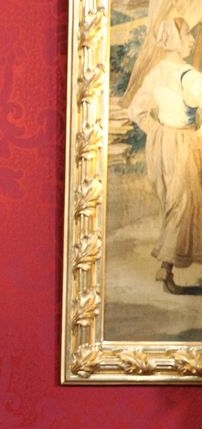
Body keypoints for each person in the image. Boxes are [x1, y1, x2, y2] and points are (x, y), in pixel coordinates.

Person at [126, 16, 202, 294]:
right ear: (174, 40)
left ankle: (167, 267)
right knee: (181, 205)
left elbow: (137, 110)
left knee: (176, 203)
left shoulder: (156, 72)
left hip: (161, 144)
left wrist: (155, 130)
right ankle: (166, 266)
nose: (192, 40)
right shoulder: (190, 77)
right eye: (187, 36)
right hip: (183, 143)